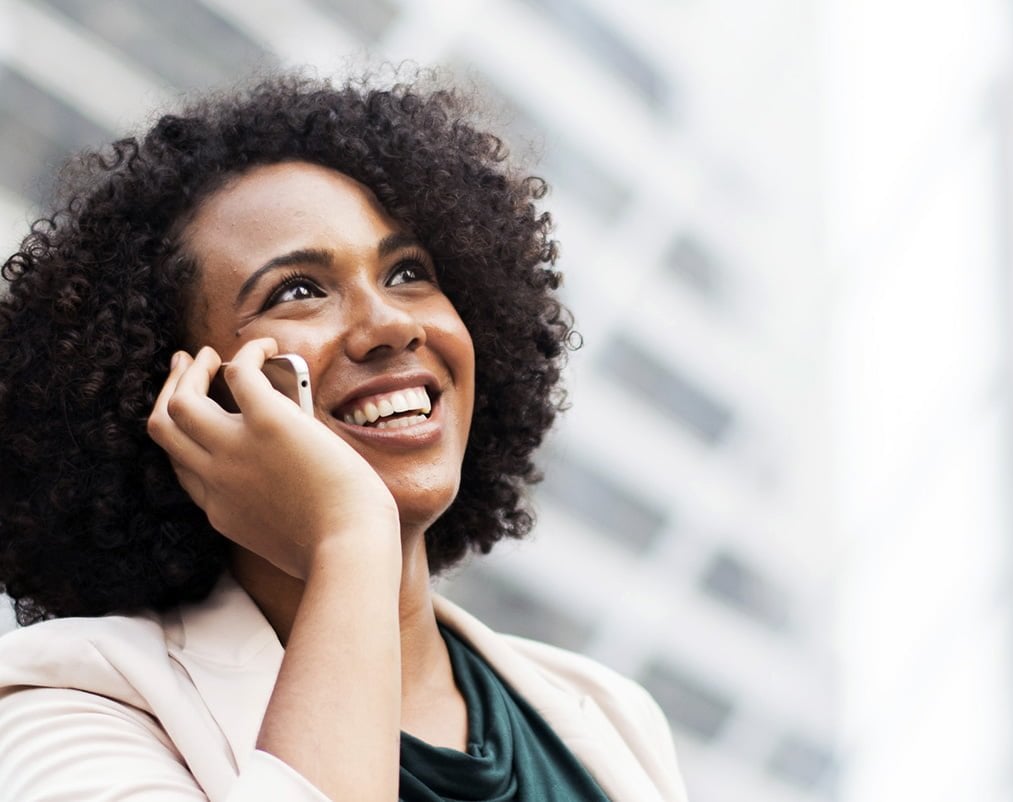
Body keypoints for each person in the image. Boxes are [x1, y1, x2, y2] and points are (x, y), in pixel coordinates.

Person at [0, 70, 688, 802]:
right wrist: (350, 537)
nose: (392, 324)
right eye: (298, 291)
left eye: (409, 272)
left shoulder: (610, 714)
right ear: (183, 393)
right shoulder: (64, 708)